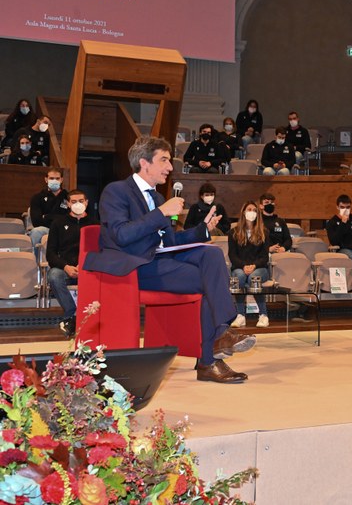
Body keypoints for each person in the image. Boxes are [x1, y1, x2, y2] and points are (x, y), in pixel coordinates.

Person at [82, 136, 256, 384]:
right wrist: (161, 213)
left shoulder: (159, 198)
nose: (170, 167)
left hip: (159, 259)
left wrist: (202, 231)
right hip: (134, 265)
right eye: (164, 160)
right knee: (208, 280)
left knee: (212, 253)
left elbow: (169, 241)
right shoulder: (117, 191)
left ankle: (219, 336)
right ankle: (212, 352)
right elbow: (121, 235)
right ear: (144, 163)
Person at [46, 189, 98, 338]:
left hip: (88, 269)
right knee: (54, 275)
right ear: (68, 204)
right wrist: (65, 267)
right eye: (74, 202)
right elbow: (51, 253)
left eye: (81, 201)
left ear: (87, 203)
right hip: (66, 268)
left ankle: (77, 319)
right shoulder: (58, 223)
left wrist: (85, 266)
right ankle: (73, 315)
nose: (77, 204)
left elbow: (100, 251)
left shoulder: (95, 224)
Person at [228, 201, 271, 329]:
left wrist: (253, 266)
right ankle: (240, 315)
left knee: (254, 277)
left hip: (260, 268)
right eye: (249, 209)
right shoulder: (233, 232)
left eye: (254, 210)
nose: (251, 212)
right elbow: (232, 255)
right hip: (239, 267)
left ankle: (263, 315)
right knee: (239, 277)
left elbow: (264, 257)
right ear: (243, 212)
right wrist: (243, 266)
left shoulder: (264, 232)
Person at [29, 167, 70, 246]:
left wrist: (47, 217)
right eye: (51, 178)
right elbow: (36, 221)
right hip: (45, 229)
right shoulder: (37, 197)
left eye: (57, 178)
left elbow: (69, 218)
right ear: (46, 179)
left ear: (61, 180)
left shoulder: (68, 197)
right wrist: (59, 217)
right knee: (36, 231)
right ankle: (33, 256)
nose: (54, 181)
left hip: (64, 229)